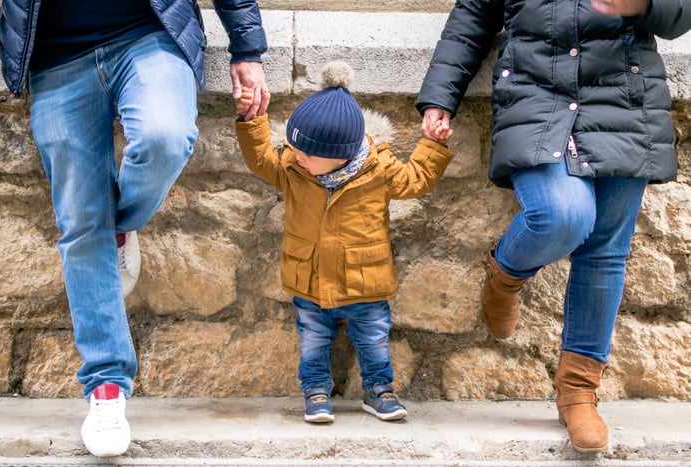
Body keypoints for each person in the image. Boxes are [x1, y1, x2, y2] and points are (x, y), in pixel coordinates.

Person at [0, 0, 269, 457]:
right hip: (55, 58)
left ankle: (118, 227)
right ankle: (105, 387)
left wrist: (248, 48)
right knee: (81, 222)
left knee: (164, 138)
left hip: (149, 35)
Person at [416, 0, 691, 453]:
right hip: (536, 100)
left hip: (625, 100)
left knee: (604, 252)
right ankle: (505, 273)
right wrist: (440, 97)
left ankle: (578, 392)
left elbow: (678, 14)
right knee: (562, 216)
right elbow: (472, 19)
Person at [235, 61, 453, 423]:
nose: (296, 156)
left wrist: (432, 143)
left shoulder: (378, 169)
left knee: (373, 340)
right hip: (309, 280)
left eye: (306, 152)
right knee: (313, 341)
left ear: (341, 154)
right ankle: (316, 391)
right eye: (293, 147)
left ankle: (379, 390)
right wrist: (251, 120)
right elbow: (260, 158)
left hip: (365, 283)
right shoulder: (292, 167)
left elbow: (417, 178)